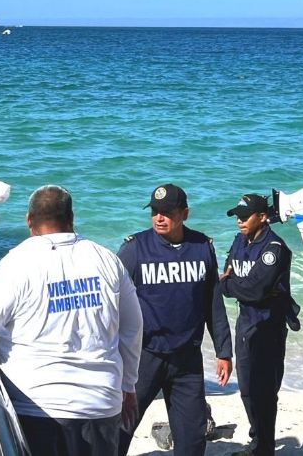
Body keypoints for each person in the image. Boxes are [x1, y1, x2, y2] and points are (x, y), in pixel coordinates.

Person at [0, 185, 143, 456]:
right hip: (101, 404)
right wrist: (128, 386)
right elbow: (133, 327)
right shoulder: (106, 259)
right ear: (71, 218)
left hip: (35, 407)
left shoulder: (17, 263)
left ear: (28, 220)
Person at [117, 183, 232, 456]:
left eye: (167, 212)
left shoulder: (202, 247)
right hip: (144, 356)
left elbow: (212, 304)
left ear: (185, 214)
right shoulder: (135, 249)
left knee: (192, 437)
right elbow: (112, 302)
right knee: (120, 428)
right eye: (155, 211)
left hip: (187, 359)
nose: (159, 217)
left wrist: (223, 351)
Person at [219, 194, 300, 456]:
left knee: (264, 391)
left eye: (245, 217)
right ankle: (258, 441)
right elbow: (227, 272)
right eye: (238, 217)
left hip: (269, 327)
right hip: (245, 323)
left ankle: (262, 447)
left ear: (262, 217)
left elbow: (255, 290)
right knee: (246, 388)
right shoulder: (240, 241)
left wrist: (229, 285)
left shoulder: (274, 249)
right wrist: (231, 285)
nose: (240, 222)